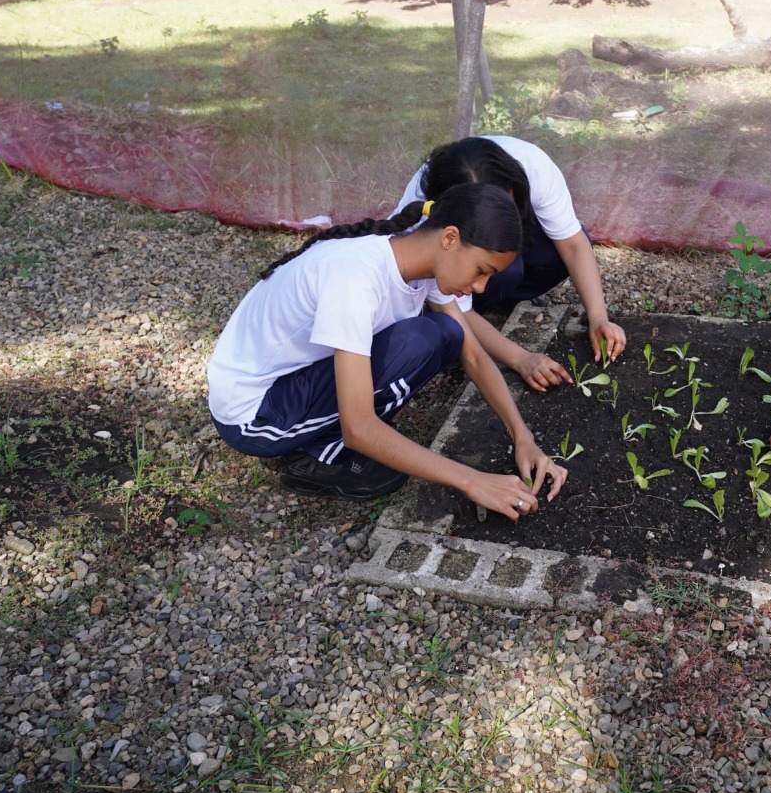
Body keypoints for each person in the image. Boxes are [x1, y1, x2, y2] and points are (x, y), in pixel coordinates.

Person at [207, 183, 565, 517]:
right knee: (418, 340)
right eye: (481, 271)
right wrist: (472, 480)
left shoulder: (419, 256)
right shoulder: (356, 278)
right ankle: (317, 457)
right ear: (450, 238)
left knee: (446, 333)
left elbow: (472, 355)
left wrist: (523, 437)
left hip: (295, 380)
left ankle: (326, 428)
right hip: (253, 415)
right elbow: (359, 427)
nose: (481, 287)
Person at [394, 136, 627, 390]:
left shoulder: (532, 166)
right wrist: (520, 359)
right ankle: (476, 297)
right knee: (502, 276)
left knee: (550, 255)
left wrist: (598, 317)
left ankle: (498, 295)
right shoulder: (426, 219)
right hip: (448, 279)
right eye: (481, 272)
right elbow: (457, 310)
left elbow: (573, 245)